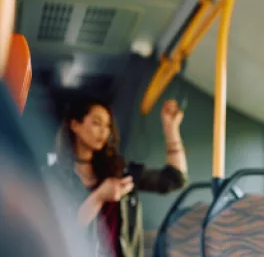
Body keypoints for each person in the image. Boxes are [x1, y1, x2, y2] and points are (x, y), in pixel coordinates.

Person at [50, 97, 189, 257]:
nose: (104, 131)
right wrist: (99, 197)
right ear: (75, 125)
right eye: (96, 123)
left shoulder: (120, 171)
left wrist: (170, 128)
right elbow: (61, 232)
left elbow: (174, 179)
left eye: (108, 125)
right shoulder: (55, 177)